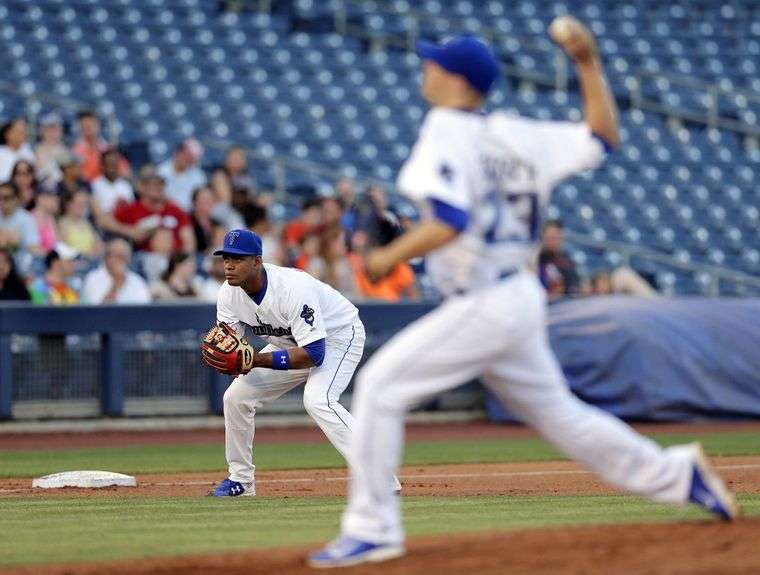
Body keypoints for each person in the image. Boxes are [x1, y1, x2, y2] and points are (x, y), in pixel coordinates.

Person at [309, 25, 737, 568]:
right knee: (564, 417)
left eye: (435, 64)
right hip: (516, 294)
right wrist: (586, 62)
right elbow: (603, 136)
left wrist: (383, 259)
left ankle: (373, 529)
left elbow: (449, 221)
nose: (426, 70)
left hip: (485, 301)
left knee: (380, 387)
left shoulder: (444, 127)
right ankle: (679, 476)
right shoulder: (520, 135)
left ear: (457, 80)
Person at [205, 229, 399, 497]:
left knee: (319, 400)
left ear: (257, 262)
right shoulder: (228, 294)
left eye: (238, 258)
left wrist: (256, 359)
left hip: (337, 336)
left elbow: (314, 354)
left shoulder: (292, 288)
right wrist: (234, 360)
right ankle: (241, 481)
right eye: (226, 257)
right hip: (291, 343)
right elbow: (233, 348)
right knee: (236, 397)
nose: (228, 264)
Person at [112, 166, 195, 254]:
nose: (158, 188)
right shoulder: (132, 210)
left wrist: (183, 259)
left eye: (161, 184)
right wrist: (130, 231)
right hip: (145, 257)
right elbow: (108, 221)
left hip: (175, 258)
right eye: (152, 184)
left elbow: (188, 240)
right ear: (142, 187)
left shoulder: (175, 210)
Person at [82, 238, 151, 304]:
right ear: (107, 257)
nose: (122, 260)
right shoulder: (93, 278)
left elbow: (145, 310)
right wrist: (116, 285)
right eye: (118, 256)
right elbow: (95, 312)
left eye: (125, 256)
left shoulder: (136, 280)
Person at [72, 110, 129, 182]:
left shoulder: (107, 147)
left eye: (91, 125)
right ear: (80, 128)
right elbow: (82, 175)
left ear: (98, 125)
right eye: (85, 126)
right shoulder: (76, 150)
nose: (89, 129)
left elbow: (125, 171)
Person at [158, 138, 207, 212]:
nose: (188, 160)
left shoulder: (198, 175)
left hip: (191, 215)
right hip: (166, 212)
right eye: (186, 155)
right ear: (178, 152)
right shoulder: (161, 171)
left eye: (192, 158)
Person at [0, 181, 41, 260]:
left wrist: (15, 242)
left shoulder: (26, 219)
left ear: (16, 198)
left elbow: (33, 247)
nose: (1, 201)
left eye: (6, 198)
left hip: (19, 264)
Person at [538, 220, 580, 296]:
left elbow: (574, 288)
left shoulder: (567, 262)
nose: (552, 241)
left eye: (556, 237)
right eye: (549, 237)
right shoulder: (534, 260)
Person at [58, 190, 102, 258]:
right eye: (79, 203)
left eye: (84, 204)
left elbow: (98, 243)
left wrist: (95, 251)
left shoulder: (87, 224)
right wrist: (84, 254)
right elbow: (64, 247)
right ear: (68, 204)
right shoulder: (62, 224)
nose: (82, 207)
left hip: (91, 259)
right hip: (74, 260)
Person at [91, 148, 134, 215]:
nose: (113, 168)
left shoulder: (125, 185)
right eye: (110, 164)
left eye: (115, 164)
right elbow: (97, 214)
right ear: (103, 166)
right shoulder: (94, 185)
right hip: (105, 222)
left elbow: (132, 208)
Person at [34, 112, 68, 191]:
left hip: (61, 187)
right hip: (43, 186)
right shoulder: (38, 149)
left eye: (56, 129)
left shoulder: (64, 150)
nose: (52, 133)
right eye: (49, 129)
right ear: (43, 131)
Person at [0, 118, 34, 183]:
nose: (23, 135)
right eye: (19, 132)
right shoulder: (1, 152)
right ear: (7, 134)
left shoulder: (28, 152)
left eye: (24, 132)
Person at [31, 189, 59, 253]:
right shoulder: (31, 218)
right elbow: (32, 245)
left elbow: (56, 241)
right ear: (41, 199)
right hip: (38, 257)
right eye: (52, 199)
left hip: (51, 257)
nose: (55, 203)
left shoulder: (51, 218)